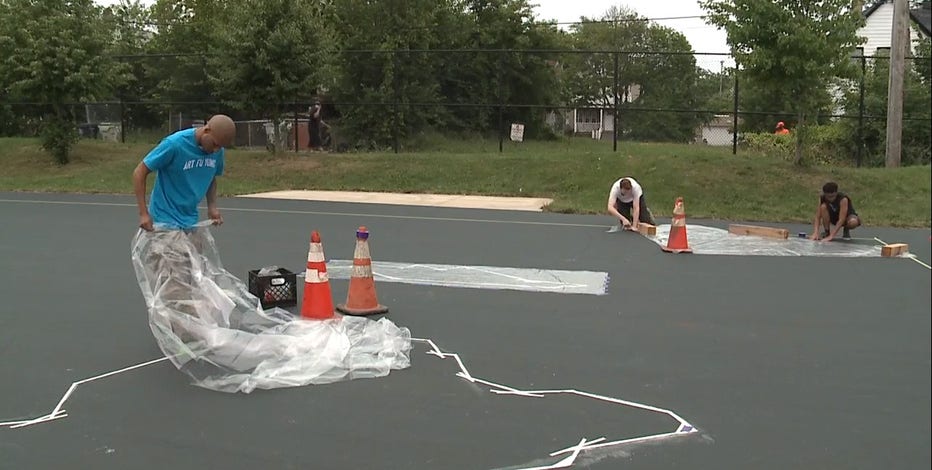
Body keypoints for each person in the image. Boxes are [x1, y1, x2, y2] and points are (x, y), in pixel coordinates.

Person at [133, 114, 236, 231]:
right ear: (206, 130)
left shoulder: (217, 151)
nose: (216, 150)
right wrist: (143, 214)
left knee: (194, 249)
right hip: (164, 219)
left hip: (190, 220)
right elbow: (139, 172)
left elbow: (211, 177)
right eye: (215, 144)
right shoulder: (174, 144)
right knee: (169, 250)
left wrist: (212, 207)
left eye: (221, 147)